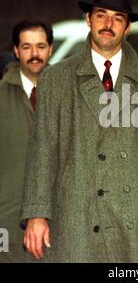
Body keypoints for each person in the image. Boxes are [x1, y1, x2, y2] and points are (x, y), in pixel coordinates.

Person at [21, 0, 138, 263]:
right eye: (101, 15)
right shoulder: (57, 78)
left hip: (132, 214)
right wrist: (36, 213)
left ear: (128, 27)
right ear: (88, 19)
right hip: (76, 215)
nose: (108, 24)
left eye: (118, 18)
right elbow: (42, 150)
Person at [0, 20, 53, 262]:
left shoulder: (71, 97)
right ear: (16, 50)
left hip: (57, 227)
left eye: (40, 46)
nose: (34, 54)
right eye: (27, 47)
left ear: (50, 49)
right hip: (7, 224)